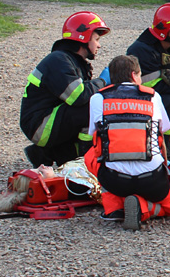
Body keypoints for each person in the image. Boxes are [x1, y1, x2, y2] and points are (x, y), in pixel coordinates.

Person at [85, 55, 170, 231]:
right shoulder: (152, 96)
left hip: (115, 180)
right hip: (153, 179)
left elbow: (94, 136)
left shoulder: (98, 98)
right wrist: (165, 169)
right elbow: (162, 135)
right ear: (134, 75)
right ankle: (145, 208)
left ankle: (114, 208)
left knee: (92, 154)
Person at [20, 11, 111, 167]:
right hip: (40, 127)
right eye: (96, 39)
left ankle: (49, 153)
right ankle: (84, 159)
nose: (99, 45)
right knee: (91, 107)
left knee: (91, 105)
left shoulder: (70, 61)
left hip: (46, 121)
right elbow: (79, 96)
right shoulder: (59, 60)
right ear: (84, 38)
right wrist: (103, 81)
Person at [127, 3, 170, 156]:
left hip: (160, 93)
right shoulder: (141, 50)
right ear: (163, 32)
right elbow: (149, 84)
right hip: (137, 98)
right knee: (167, 100)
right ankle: (155, 140)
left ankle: (166, 140)